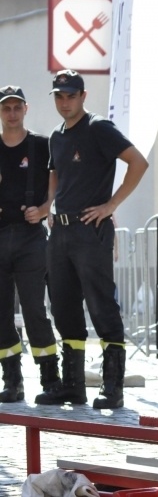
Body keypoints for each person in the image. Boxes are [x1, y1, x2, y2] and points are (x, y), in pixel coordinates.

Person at [34, 69, 148, 410]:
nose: (64, 102)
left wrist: (112, 205)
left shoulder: (98, 128)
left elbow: (137, 162)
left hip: (90, 229)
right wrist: (48, 205)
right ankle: (73, 386)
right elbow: (55, 171)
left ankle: (113, 386)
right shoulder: (57, 135)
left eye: (71, 95)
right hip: (61, 231)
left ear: (83, 96)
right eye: (59, 95)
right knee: (64, 307)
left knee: (101, 305)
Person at [0, 85, 61, 403]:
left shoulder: (40, 145)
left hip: (30, 238)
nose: (11, 113)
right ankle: (12, 381)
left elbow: (60, 180)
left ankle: (51, 380)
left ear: (25, 109)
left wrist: (46, 207)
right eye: (5, 108)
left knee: (35, 310)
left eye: (16, 107)